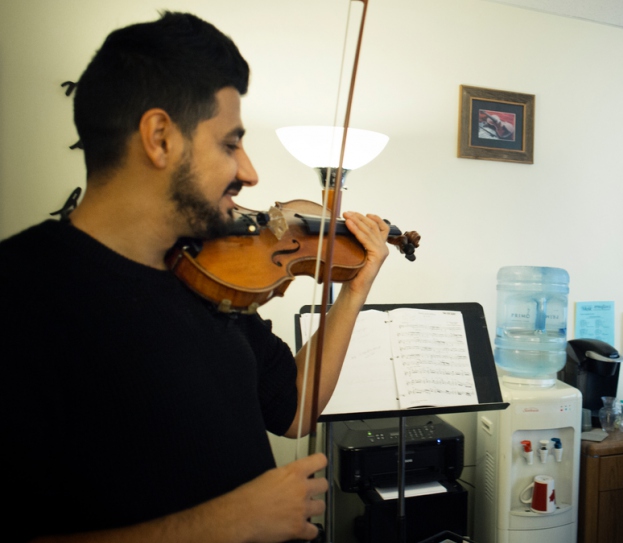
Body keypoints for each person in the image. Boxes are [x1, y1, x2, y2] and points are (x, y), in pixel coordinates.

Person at [1, 12, 391, 543]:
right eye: (230, 143)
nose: (250, 173)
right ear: (159, 137)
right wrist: (232, 521)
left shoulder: (212, 279)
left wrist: (355, 289)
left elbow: (296, 410)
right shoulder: (21, 294)